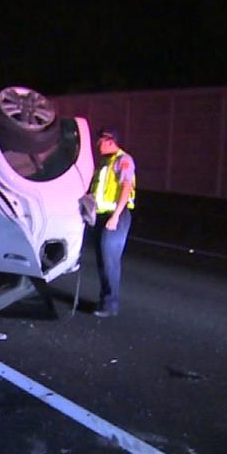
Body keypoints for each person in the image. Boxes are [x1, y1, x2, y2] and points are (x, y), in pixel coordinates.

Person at [88, 126, 136, 317]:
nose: (97, 144)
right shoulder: (104, 163)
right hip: (102, 216)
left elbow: (126, 187)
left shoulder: (124, 160)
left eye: (100, 141)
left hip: (116, 215)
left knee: (110, 260)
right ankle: (104, 301)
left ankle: (110, 305)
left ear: (109, 140)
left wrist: (115, 216)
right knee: (102, 260)